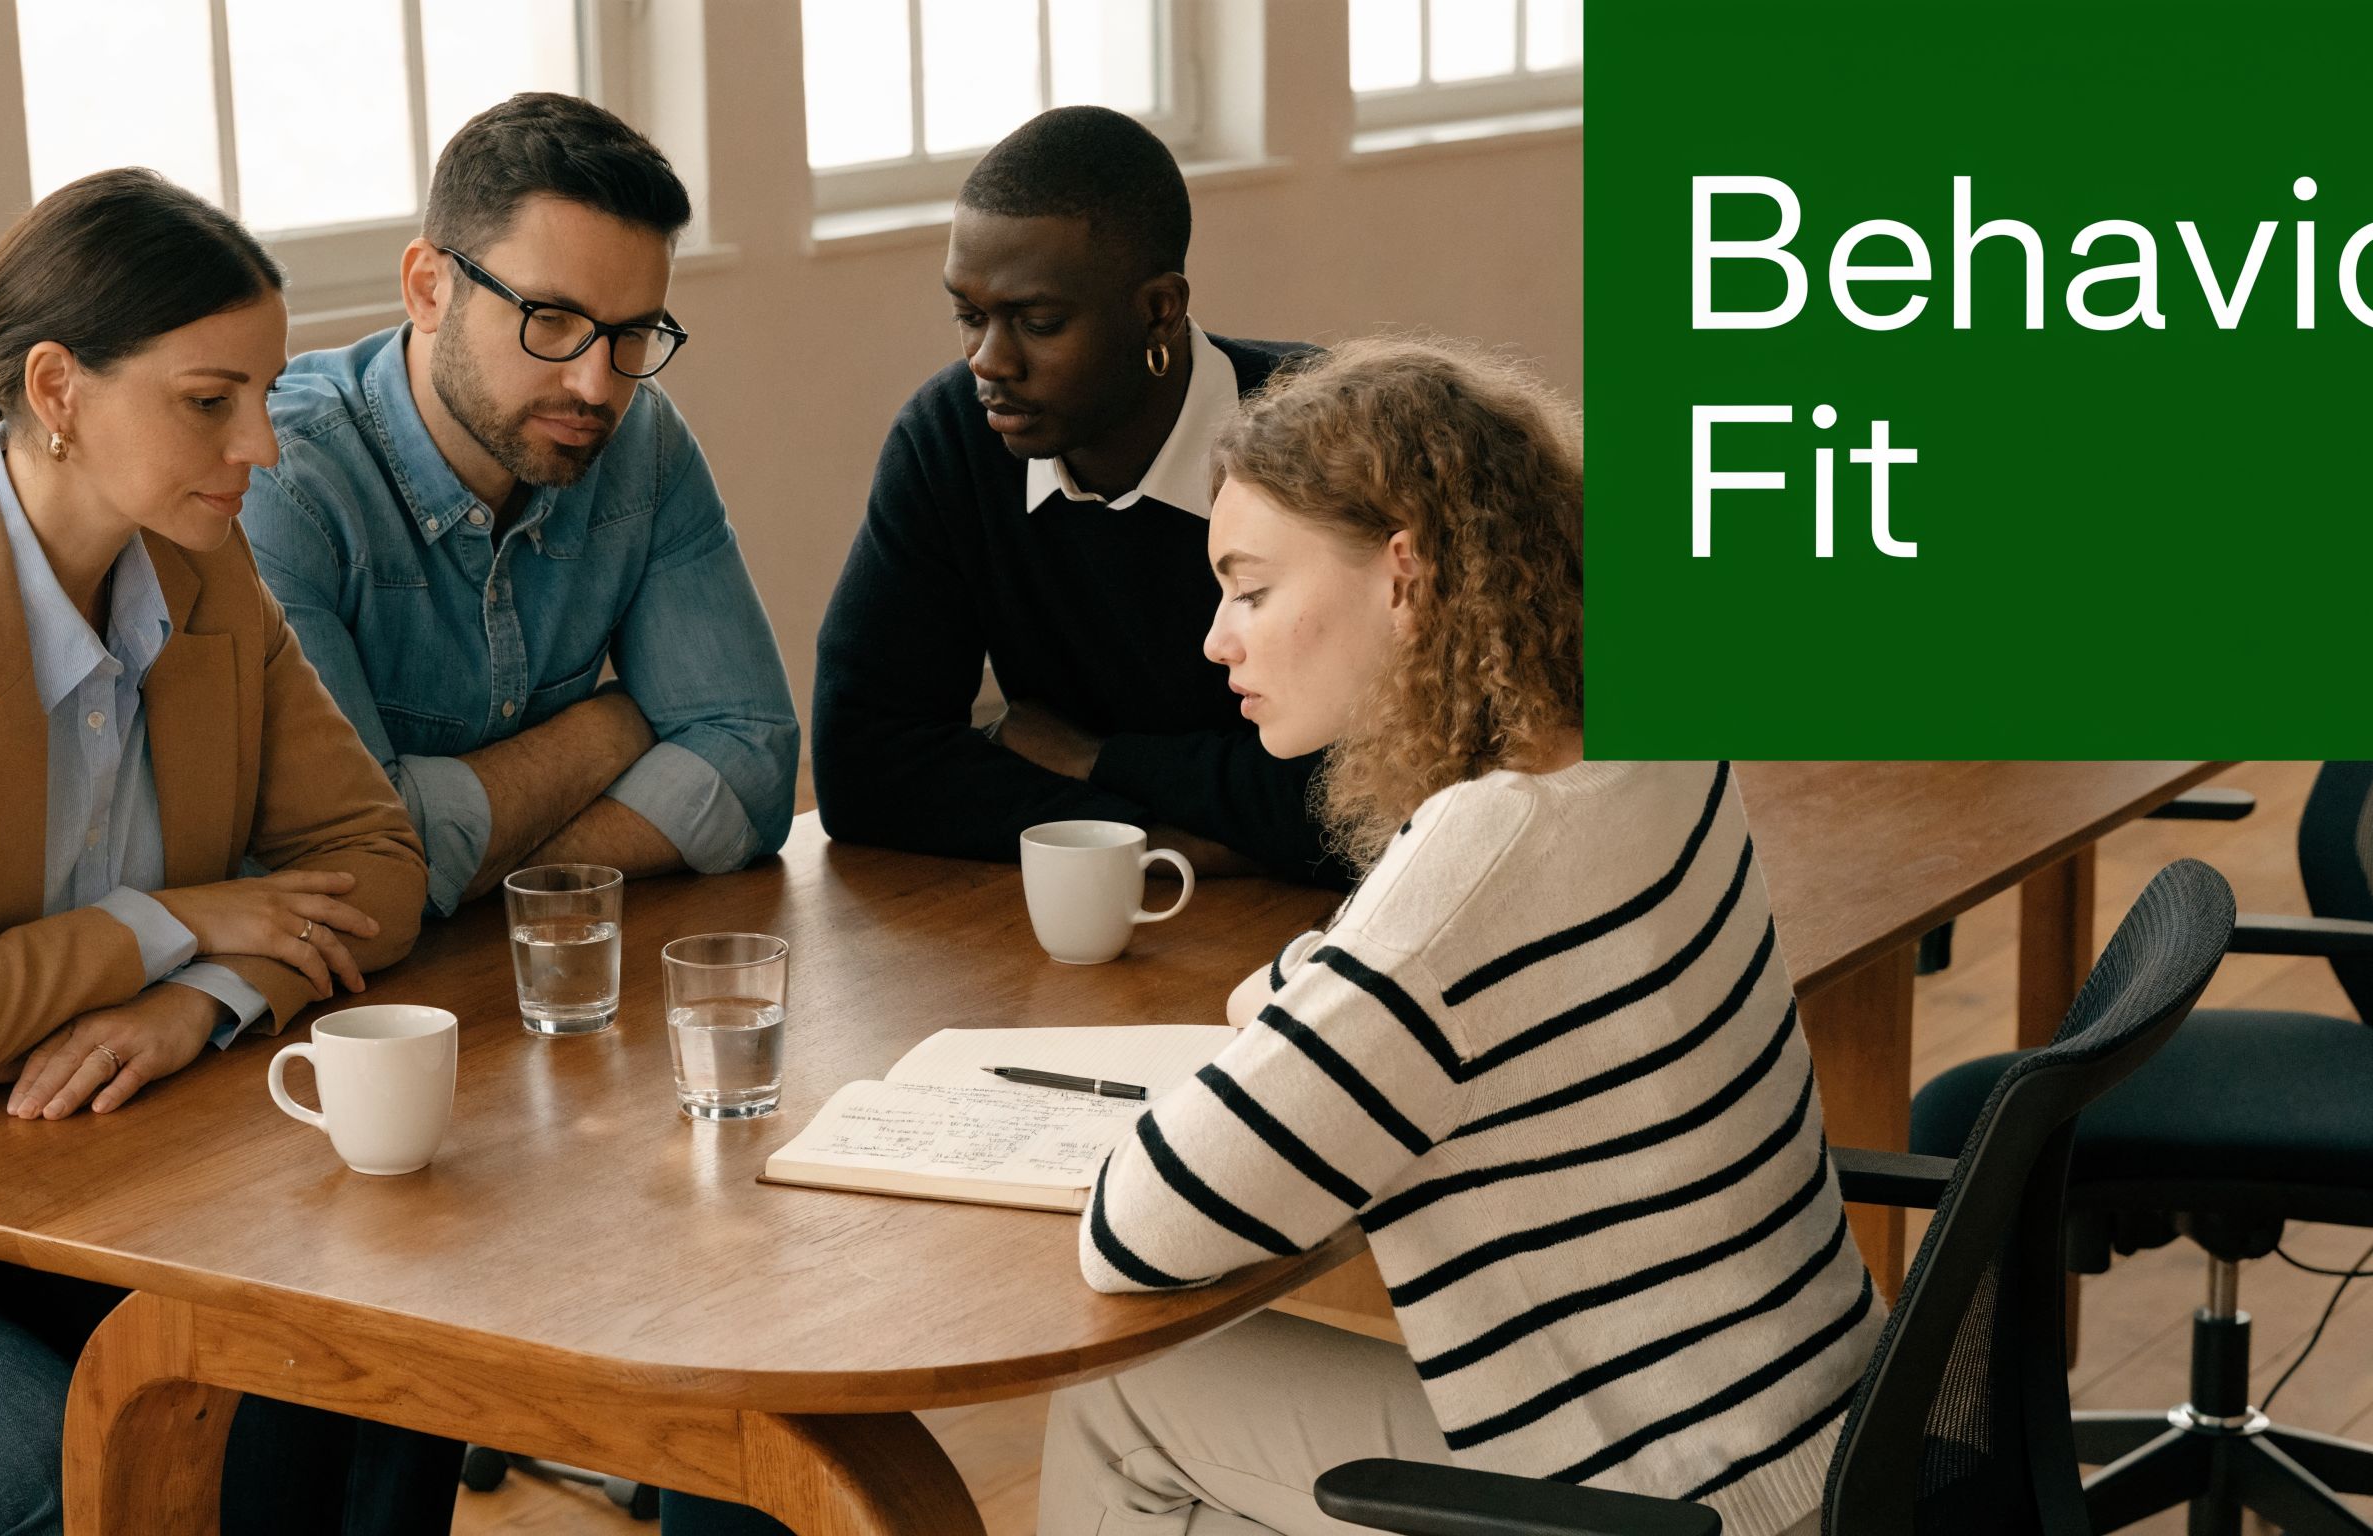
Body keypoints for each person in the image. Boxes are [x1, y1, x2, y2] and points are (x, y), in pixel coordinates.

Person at [1039, 340, 1880, 1536]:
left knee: (1125, 1403)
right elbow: (1342, 981)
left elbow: (1139, 1225)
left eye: (1253, 589)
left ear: (1404, 576)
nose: (1218, 641)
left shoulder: (1478, 862)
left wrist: (1306, 1010)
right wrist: (1317, 1001)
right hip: (1819, 1450)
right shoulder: (1648, 736)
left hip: (1656, 1503)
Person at [0, 169, 455, 1536]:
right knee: (60, 1489)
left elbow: (375, 861)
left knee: (394, 1368)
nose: (264, 445)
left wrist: (202, 998)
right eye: (208, 401)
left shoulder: (202, 572)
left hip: (89, 1168)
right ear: (59, 389)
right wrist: (175, 917)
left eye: (266, 394)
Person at [242, 93, 796, 917]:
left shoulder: (639, 438)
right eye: (552, 318)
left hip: (545, 974)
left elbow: (753, 764)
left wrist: (475, 872)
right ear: (428, 289)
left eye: (632, 333)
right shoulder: (282, 482)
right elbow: (351, 864)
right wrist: (614, 729)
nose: (595, 384)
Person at [810, 106, 1343, 886]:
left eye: (1038, 322)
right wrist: (1159, 841)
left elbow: (1373, 788)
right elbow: (865, 766)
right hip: (1107, 913)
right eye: (968, 314)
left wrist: (1097, 760)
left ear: (1159, 309)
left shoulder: (1329, 440)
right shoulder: (950, 438)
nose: (988, 362)